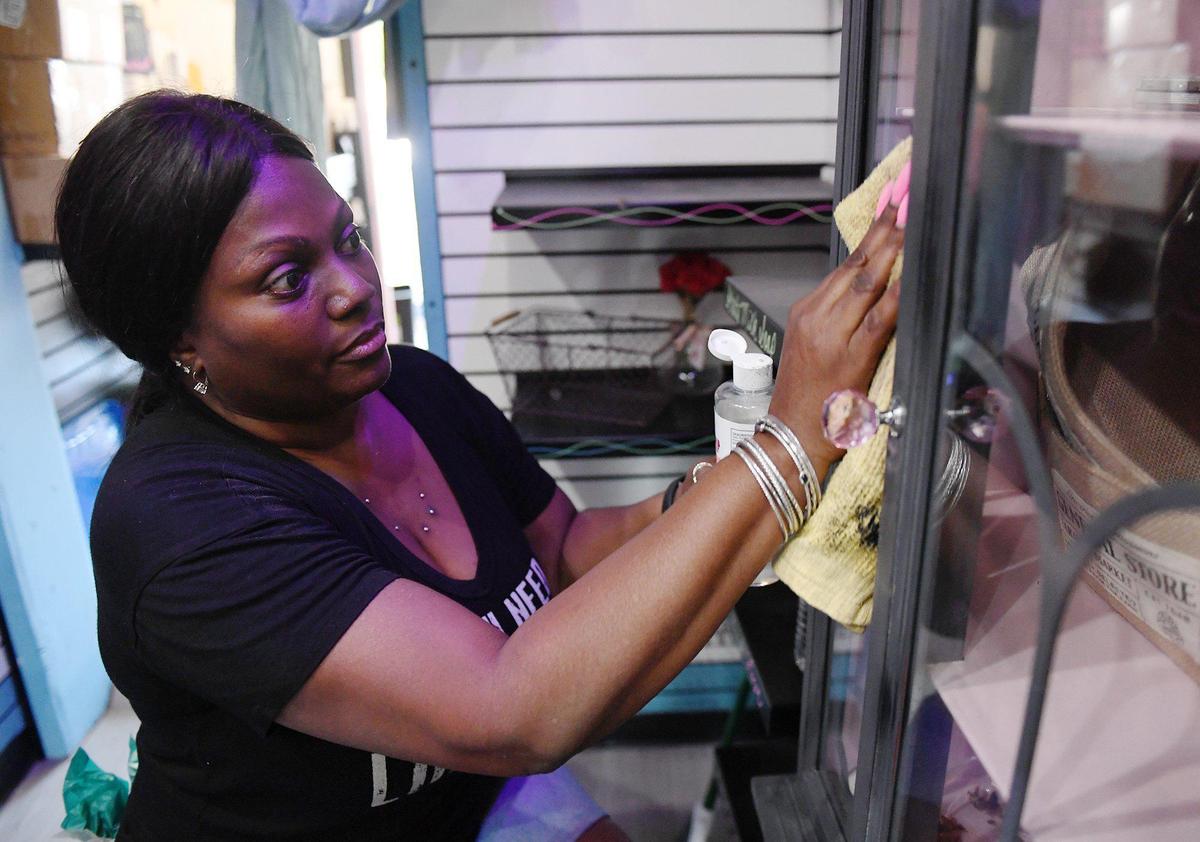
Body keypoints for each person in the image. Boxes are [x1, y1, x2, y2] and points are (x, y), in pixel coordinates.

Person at [55, 91, 905, 841]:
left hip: (464, 803)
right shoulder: (181, 525)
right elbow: (513, 712)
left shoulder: (413, 385)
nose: (353, 285)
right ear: (181, 343)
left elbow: (567, 554)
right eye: (288, 280)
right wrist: (789, 444)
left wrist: (713, 486)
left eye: (347, 238)